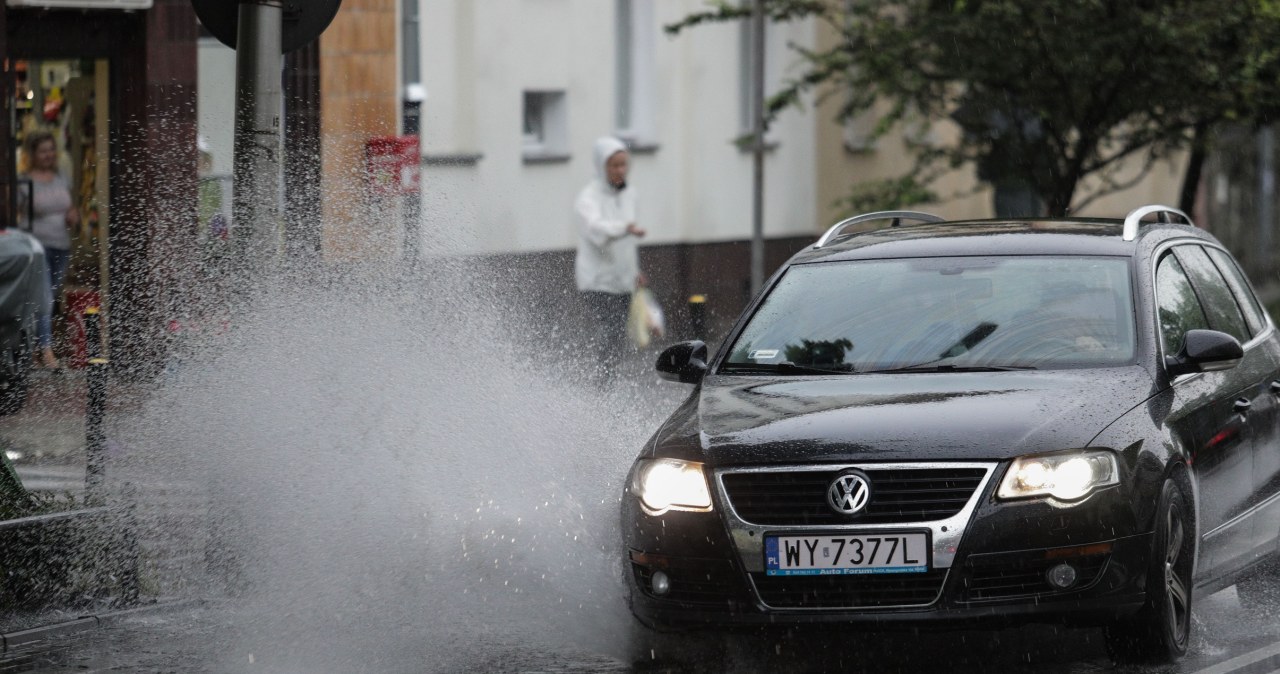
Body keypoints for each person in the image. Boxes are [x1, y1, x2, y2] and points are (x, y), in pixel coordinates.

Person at [574, 136, 647, 380]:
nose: (620, 170)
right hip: (597, 280)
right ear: (601, 167)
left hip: (623, 280)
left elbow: (628, 242)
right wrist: (625, 228)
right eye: (614, 165)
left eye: (623, 164)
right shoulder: (588, 198)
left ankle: (607, 380)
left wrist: (635, 272)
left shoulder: (630, 194)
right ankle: (600, 383)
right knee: (611, 331)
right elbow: (596, 232)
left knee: (618, 336)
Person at [17, 130, 78, 369]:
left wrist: (74, 215)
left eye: (51, 150)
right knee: (43, 298)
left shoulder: (61, 177)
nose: (49, 155)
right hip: (36, 247)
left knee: (48, 298)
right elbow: (15, 215)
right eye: (43, 151)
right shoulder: (24, 180)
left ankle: (32, 349)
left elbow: (69, 208)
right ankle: (45, 350)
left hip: (60, 245)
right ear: (32, 154)